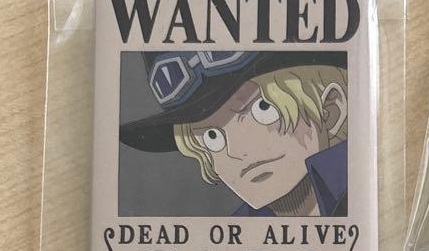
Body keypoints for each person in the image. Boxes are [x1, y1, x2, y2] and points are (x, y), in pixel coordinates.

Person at [121, 50, 348, 217]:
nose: (238, 152)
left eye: (263, 109)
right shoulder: (233, 237)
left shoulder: (359, 197)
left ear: (331, 110)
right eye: (212, 137)